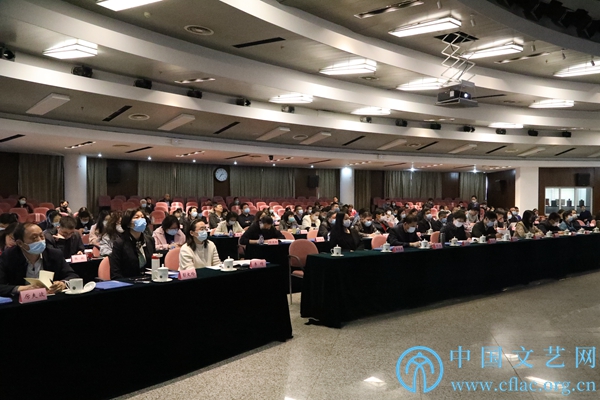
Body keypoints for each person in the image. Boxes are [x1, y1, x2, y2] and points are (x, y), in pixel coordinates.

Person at [0, 223, 79, 296]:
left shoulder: (54, 254)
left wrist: (63, 283)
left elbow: (73, 276)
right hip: (21, 302)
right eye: (34, 238)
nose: (40, 240)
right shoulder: (8, 257)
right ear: (20, 243)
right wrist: (21, 289)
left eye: (41, 236)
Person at [109, 209, 155, 279]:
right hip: (128, 282)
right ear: (128, 223)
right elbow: (115, 273)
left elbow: (154, 264)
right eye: (136, 217)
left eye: (142, 217)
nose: (141, 219)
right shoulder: (119, 243)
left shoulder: (150, 240)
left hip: (148, 280)